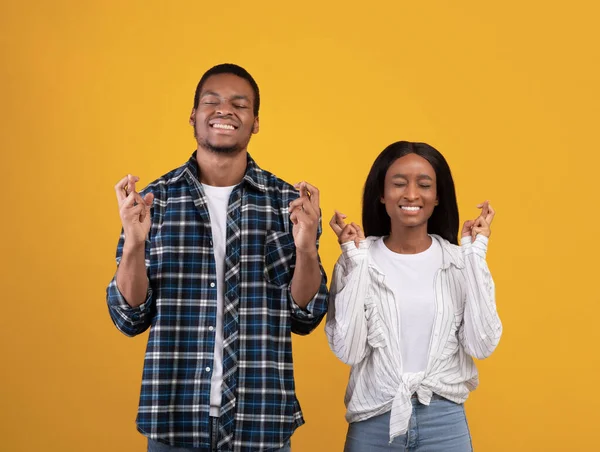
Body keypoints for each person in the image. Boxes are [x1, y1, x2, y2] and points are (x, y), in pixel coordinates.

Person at [106, 63, 328, 452]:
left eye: (239, 105)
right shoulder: (153, 202)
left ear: (255, 122)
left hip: (260, 422)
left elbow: (304, 316)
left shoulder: (287, 204)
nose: (225, 111)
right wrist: (135, 245)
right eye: (212, 102)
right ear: (193, 116)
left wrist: (307, 249)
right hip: (174, 421)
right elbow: (129, 317)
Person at [325, 141, 502, 451]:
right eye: (398, 184)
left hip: (444, 420)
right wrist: (357, 259)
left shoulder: (459, 262)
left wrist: (476, 254)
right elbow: (348, 351)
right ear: (381, 194)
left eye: (424, 185)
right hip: (373, 419)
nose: (410, 194)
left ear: (437, 197)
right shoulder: (357, 260)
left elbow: (482, 344)